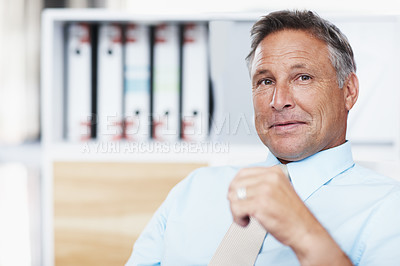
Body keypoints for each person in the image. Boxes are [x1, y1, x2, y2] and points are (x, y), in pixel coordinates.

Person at [126, 10, 400, 265]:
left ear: (349, 91)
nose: (278, 101)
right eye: (265, 81)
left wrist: (304, 234)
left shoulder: (390, 208)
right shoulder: (193, 190)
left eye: (303, 77)